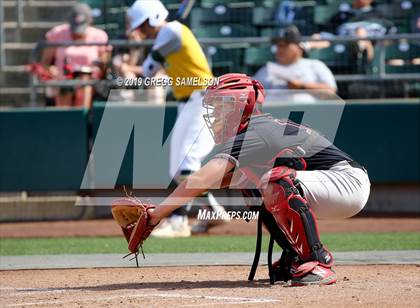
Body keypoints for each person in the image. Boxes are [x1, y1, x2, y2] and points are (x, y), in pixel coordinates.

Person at [119, 73, 370, 285]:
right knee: (252, 186)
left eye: (221, 107)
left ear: (241, 104)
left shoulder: (254, 129)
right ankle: (295, 256)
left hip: (347, 182)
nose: (215, 115)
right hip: (331, 184)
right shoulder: (254, 129)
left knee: (274, 183)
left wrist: (156, 215)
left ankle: (316, 261)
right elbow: (215, 181)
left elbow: (202, 178)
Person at [127, 0, 228, 237]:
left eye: (143, 26)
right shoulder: (168, 36)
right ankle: (211, 211)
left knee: (188, 162)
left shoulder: (172, 30)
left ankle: (178, 220)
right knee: (177, 167)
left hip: (203, 99)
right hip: (188, 103)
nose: (142, 31)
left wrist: (134, 64)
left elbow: (149, 69)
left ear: (153, 17)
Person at [41, 3, 111, 108]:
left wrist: (95, 70)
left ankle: (82, 118)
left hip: (89, 82)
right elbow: (44, 63)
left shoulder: (100, 36)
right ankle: (64, 120)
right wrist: (51, 70)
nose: (78, 33)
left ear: (90, 22)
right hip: (61, 80)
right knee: (64, 86)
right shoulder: (56, 33)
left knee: (84, 83)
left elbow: (105, 65)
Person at [253, 25, 337, 97]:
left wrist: (302, 86)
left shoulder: (315, 65)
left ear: (298, 46)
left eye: (284, 45)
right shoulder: (266, 69)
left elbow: (331, 93)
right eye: (278, 46)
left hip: (306, 113)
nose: (280, 49)